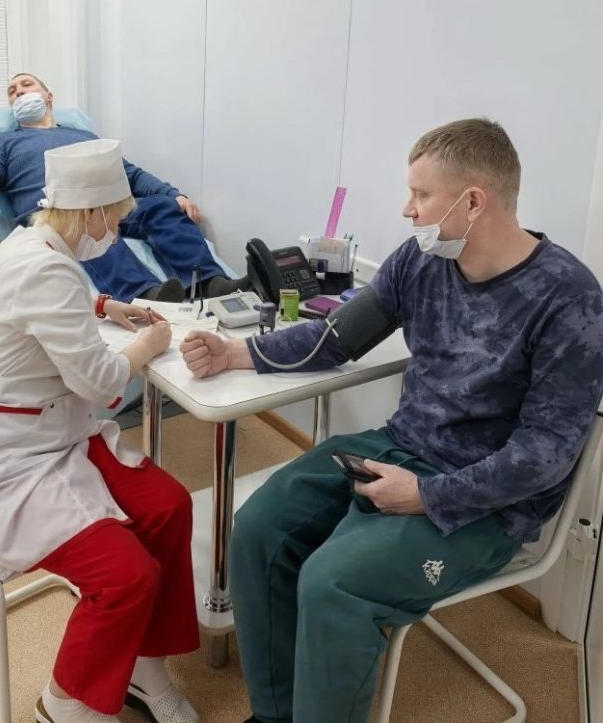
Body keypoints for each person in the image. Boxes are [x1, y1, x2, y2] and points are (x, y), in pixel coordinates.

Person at [180, 118, 603, 723]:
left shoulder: (569, 298)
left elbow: (546, 454)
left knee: (333, 582)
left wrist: (429, 495)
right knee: (257, 529)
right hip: (399, 445)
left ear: (473, 202)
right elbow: (335, 338)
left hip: (486, 502)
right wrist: (236, 353)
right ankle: (276, 714)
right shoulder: (420, 260)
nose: (407, 210)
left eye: (421, 195)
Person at [0, 138, 201, 723]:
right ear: (91, 213)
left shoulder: (32, 241)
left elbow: (55, 298)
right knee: (127, 576)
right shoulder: (42, 267)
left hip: (56, 433)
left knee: (168, 506)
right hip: (4, 462)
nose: (117, 229)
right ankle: (64, 703)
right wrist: (149, 343)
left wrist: (104, 306)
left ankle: (144, 666)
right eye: (115, 218)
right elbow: (102, 383)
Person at [0, 72, 247, 303]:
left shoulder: (83, 135)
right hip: (58, 213)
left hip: (111, 204)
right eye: (12, 93)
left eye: (26, 86)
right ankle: (146, 295)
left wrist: (172, 194)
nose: (18, 93)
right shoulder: (5, 143)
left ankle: (209, 283)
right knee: (85, 223)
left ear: (48, 96)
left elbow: (129, 174)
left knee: (162, 209)